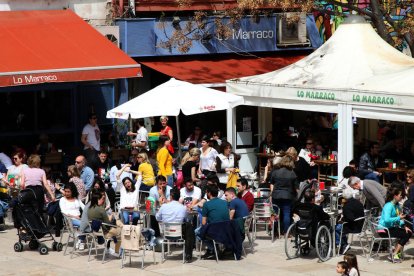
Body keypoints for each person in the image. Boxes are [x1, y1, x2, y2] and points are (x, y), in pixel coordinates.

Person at [378, 187, 412, 263]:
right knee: (405, 235)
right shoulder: (388, 206)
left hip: (390, 228)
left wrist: (404, 226)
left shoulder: (397, 206)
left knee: (408, 232)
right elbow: (387, 219)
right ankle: (394, 254)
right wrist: (398, 217)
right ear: (395, 196)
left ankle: (396, 252)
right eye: (400, 195)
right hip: (383, 229)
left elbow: (400, 219)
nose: (401, 197)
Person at [197, 184, 230, 259]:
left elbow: (203, 223)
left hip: (215, 231)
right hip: (227, 230)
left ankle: (213, 249)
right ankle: (214, 248)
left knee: (197, 232)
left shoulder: (206, 205)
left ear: (208, 193)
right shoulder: (225, 202)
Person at [87, 189, 122, 257]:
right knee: (120, 232)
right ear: (98, 199)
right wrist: (111, 216)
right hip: (104, 232)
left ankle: (109, 248)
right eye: (102, 199)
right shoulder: (101, 209)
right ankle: (117, 252)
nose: (103, 201)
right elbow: (108, 224)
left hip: (95, 231)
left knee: (118, 223)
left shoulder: (89, 208)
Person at [270, 155, 297, 233]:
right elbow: (296, 187)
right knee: (286, 214)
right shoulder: (292, 173)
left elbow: (272, 183)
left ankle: (274, 232)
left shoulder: (275, 172)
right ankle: (286, 232)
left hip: (276, 195)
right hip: (287, 196)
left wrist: (272, 193)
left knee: (275, 213)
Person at [335, 188, 365, 255]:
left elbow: (349, 218)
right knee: (340, 227)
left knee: (336, 228)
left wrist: (342, 221)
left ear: (344, 197)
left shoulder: (347, 206)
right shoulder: (358, 202)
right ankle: (344, 244)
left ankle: (342, 245)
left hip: (353, 226)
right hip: (360, 224)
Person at [59, 182, 85, 249]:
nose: (66, 193)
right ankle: (81, 240)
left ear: (72, 191)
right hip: (69, 220)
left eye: (68, 192)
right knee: (84, 224)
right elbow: (63, 211)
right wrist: (74, 217)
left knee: (88, 223)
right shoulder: (62, 200)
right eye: (65, 191)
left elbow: (84, 207)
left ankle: (80, 240)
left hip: (78, 219)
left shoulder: (76, 199)